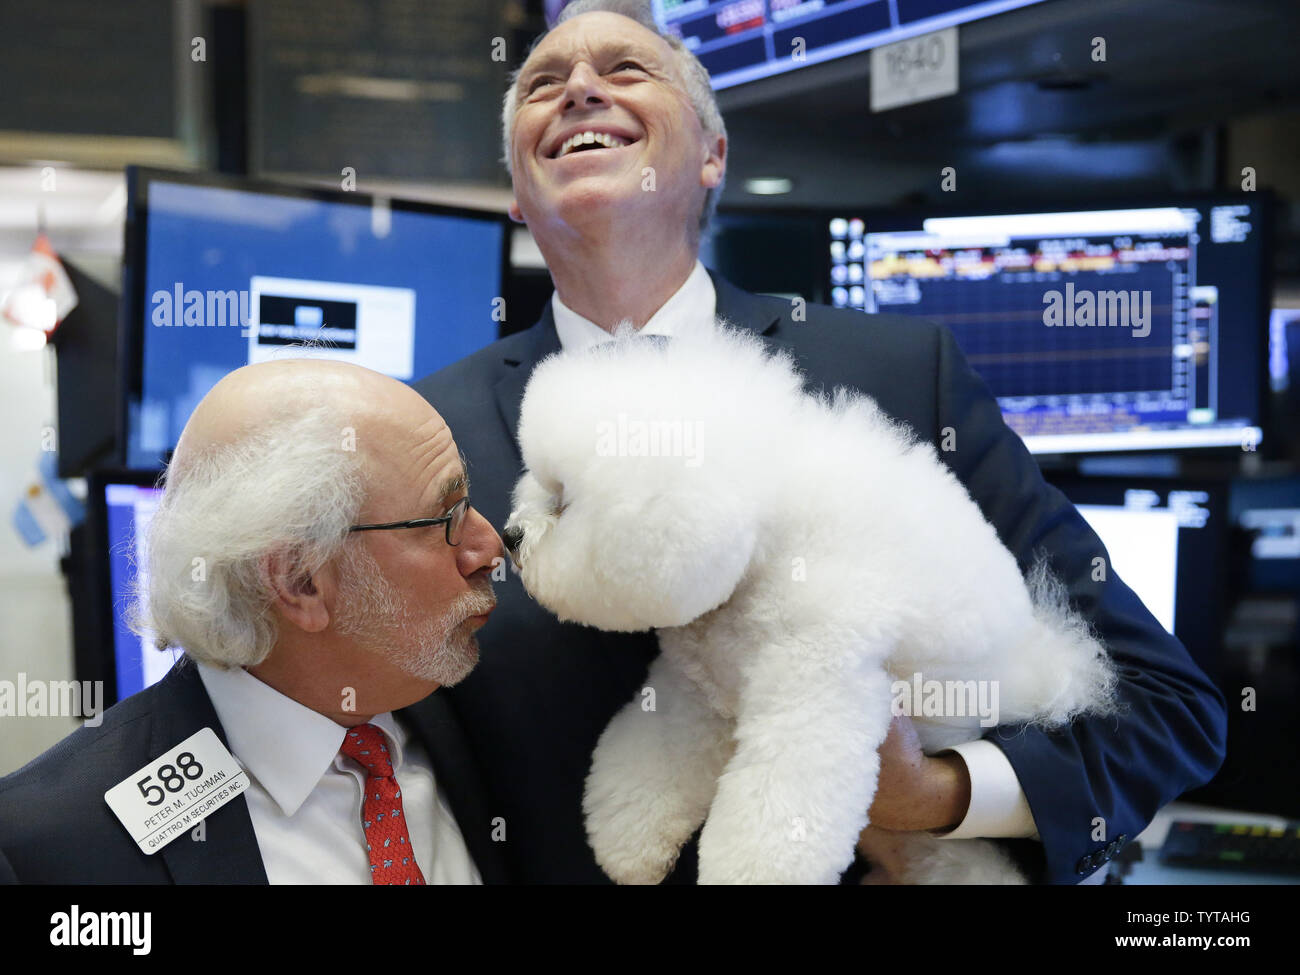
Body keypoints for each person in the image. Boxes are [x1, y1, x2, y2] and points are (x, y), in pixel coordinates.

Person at [412, 0, 1227, 884]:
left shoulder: (904, 378)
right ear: (516, 194)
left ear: (714, 156)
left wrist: (935, 795)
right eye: (541, 83)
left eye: (626, 71)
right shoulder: (425, 440)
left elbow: (1165, 707)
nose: (577, 90)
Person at [0, 359, 508, 884]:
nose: (489, 549)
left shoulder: (488, 718)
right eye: (446, 518)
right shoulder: (50, 850)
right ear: (300, 581)